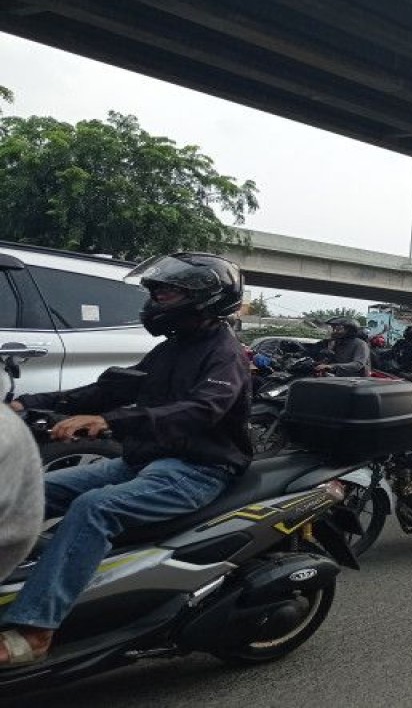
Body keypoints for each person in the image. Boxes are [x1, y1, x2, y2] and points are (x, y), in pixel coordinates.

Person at [1, 253, 251, 666]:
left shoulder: (226, 355)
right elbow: (110, 390)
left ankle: (36, 630)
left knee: (94, 508)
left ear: (206, 299)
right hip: (142, 461)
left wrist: (108, 422)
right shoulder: (172, 349)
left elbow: (201, 409)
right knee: (32, 490)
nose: (155, 302)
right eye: (155, 292)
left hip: (198, 470)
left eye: (167, 293)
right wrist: (29, 404)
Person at [0, 408, 42, 580]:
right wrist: (27, 402)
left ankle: (35, 607)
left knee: (93, 507)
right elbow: (102, 392)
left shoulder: (6, 429)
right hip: (126, 463)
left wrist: (106, 419)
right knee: (50, 485)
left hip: (134, 476)